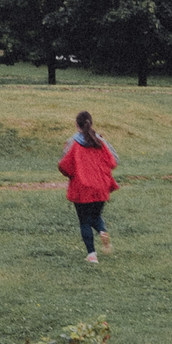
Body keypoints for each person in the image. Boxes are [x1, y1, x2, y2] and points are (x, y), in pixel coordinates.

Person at [57, 109, 117, 264]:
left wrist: (72, 174)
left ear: (77, 125)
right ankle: (102, 231)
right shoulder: (100, 141)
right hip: (101, 186)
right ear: (91, 123)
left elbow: (64, 165)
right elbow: (113, 161)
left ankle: (92, 255)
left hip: (82, 187)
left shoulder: (73, 142)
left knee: (84, 220)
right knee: (95, 216)